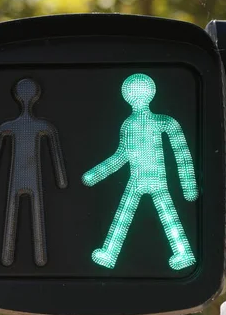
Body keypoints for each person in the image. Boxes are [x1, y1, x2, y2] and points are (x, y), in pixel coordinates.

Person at [82, 73, 198, 270]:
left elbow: (180, 152)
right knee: (156, 214)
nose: (137, 98)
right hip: (141, 179)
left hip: (149, 178)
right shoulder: (133, 124)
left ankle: (182, 252)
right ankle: (181, 252)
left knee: (129, 216)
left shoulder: (159, 122)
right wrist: (96, 173)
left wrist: (189, 186)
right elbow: (122, 155)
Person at [0, 78, 67, 266]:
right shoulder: (40, 127)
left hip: (19, 175)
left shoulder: (9, 127)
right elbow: (56, 159)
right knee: (33, 210)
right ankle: (37, 259)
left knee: (15, 210)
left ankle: (13, 259)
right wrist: (60, 179)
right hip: (26, 174)